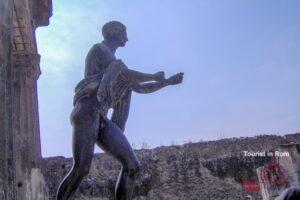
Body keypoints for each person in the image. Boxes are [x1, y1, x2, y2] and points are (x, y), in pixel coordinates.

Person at [56, 21, 184, 200]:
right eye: (124, 32)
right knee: (81, 169)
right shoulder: (100, 50)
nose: (127, 37)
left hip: (99, 117)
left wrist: (167, 82)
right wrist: (154, 76)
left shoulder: (116, 68)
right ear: (113, 32)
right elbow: (125, 74)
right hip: (87, 111)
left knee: (132, 166)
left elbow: (138, 87)